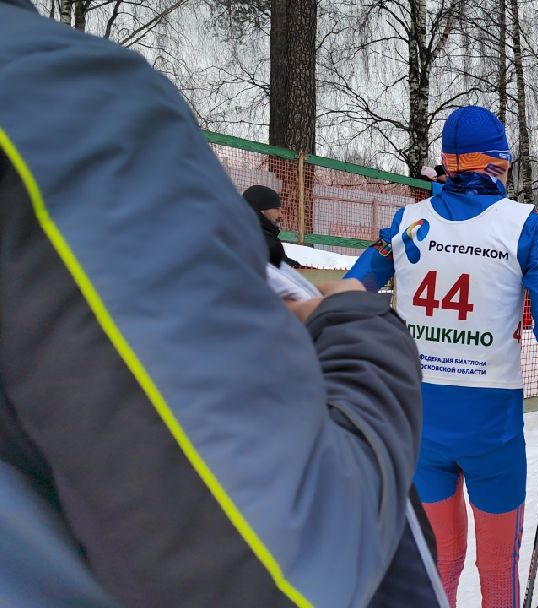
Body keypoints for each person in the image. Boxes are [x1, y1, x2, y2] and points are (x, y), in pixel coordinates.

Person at [0, 2, 446, 605]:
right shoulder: (61, 96)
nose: (283, 216)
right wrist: (363, 328)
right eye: (277, 211)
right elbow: (281, 562)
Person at [344, 105, 538, 608]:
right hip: (490, 425)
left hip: (420, 421)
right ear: (496, 164)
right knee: (497, 568)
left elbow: (352, 292)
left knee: (439, 560)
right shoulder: (525, 226)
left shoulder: (408, 222)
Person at [243, 184, 302, 269]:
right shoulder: (259, 238)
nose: (281, 215)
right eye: (277, 209)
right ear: (261, 211)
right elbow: (285, 268)